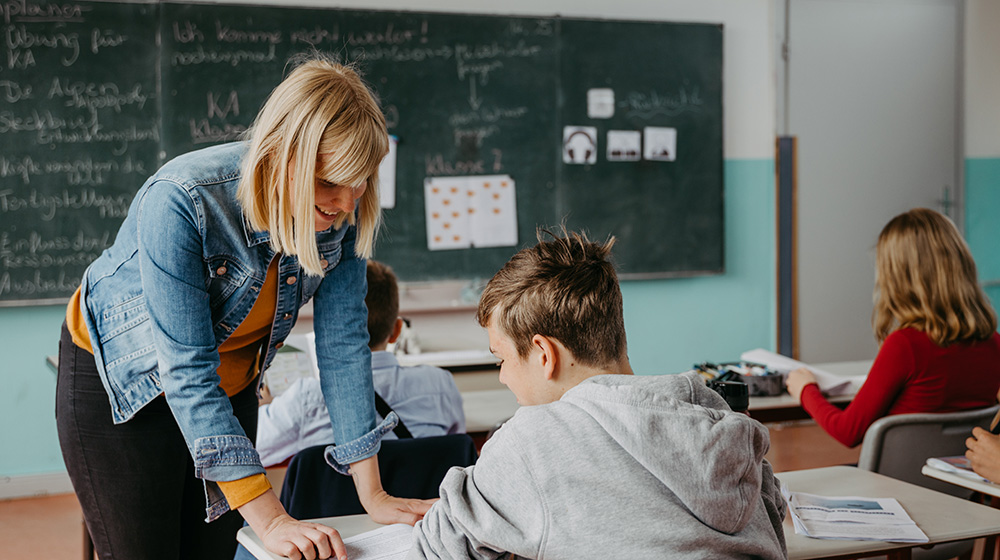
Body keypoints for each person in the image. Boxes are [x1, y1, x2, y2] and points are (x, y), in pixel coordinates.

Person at [55, 56, 431, 560]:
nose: (345, 205)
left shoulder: (344, 209)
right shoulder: (182, 200)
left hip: (229, 383)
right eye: (327, 190)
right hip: (125, 382)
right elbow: (186, 372)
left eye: (359, 182)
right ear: (283, 158)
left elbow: (343, 347)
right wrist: (272, 517)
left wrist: (372, 492)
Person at [408, 229, 787, 560]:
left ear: (544, 355)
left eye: (501, 360)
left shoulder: (532, 442)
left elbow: (435, 549)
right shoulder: (716, 414)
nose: (504, 377)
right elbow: (774, 514)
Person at [786, 208, 1000, 448]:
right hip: (958, 480)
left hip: (896, 482)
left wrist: (805, 390)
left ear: (897, 277)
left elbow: (847, 431)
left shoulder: (905, 345)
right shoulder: (994, 342)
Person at [256, 260, 466, 467]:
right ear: (396, 331)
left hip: (338, 502)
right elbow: (454, 449)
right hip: (422, 501)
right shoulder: (440, 384)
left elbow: (253, 451)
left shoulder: (306, 398)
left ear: (329, 332)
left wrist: (266, 407)